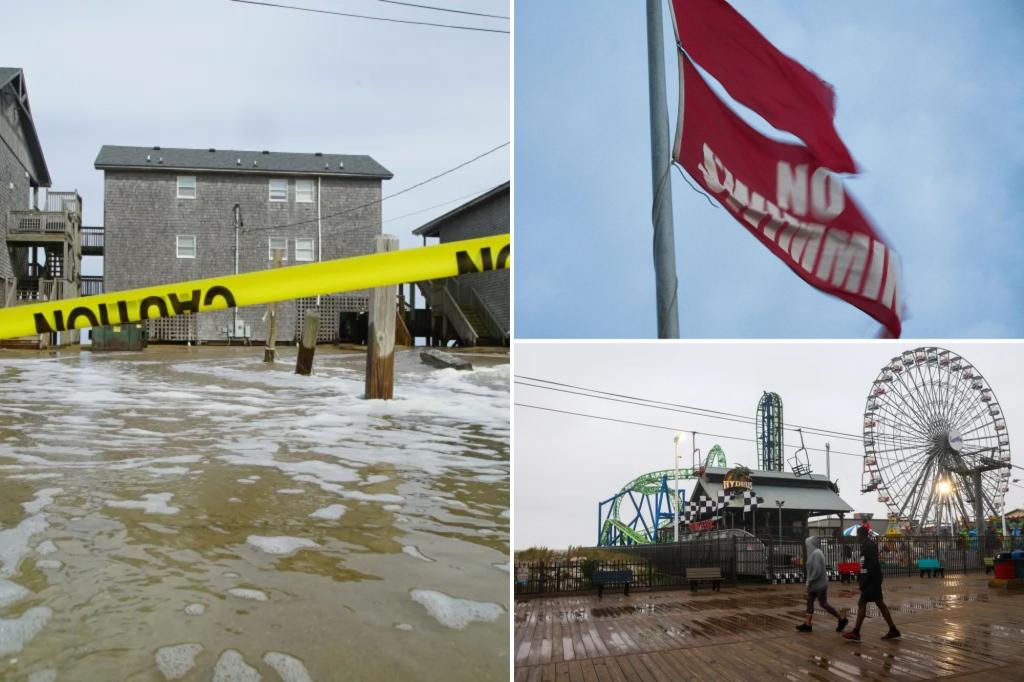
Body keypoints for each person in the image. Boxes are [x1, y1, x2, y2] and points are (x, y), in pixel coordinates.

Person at [842, 525, 901, 641]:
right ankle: (893, 629)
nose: (856, 537)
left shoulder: (868, 547)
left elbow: (871, 566)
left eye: (857, 535)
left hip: (870, 582)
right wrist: (861, 573)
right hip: (873, 580)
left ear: (861, 535)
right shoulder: (867, 546)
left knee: (862, 604)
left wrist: (864, 578)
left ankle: (856, 632)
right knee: (880, 604)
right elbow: (866, 566)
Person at [796, 536, 847, 633]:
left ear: (811, 544)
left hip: (819, 585)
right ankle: (807, 624)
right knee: (809, 603)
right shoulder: (812, 554)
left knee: (824, 604)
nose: (806, 546)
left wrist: (809, 580)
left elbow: (817, 570)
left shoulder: (817, 553)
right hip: (813, 584)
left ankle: (841, 620)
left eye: (808, 544)